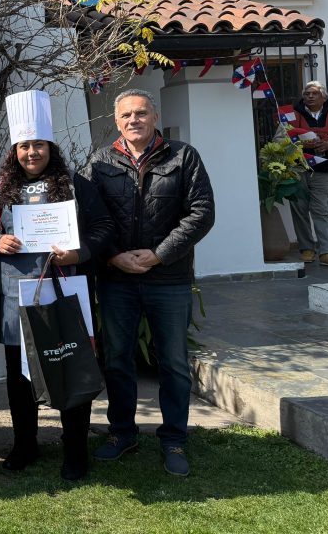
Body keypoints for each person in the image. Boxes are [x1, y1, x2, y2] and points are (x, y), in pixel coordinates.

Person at [0, 91, 112, 481]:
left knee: (69, 366)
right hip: (16, 296)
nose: (31, 152)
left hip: (63, 290)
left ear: (50, 147)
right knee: (19, 377)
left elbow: (103, 227)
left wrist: (78, 253)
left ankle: (75, 451)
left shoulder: (75, 185)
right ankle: (25, 444)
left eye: (38, 145)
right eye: (24, 146)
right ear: (14, 150)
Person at [85, 88, 214, 477]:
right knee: (117, 359)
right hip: (116, 279)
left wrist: (159, 254)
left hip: (169, 278)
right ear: (116, 121)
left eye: (141, 113)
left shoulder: (183, 156)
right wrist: (113, 256)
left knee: (173, 362)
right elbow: (88, 217)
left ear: (155, 117)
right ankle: (122, 433)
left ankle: (174, 438)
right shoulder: (100, 162)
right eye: (126, 115)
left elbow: (202, 213)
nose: (134, 120)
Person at [283, 81, 328, 265]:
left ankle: (326, 251)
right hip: (297, 167)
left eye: (314, 93)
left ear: (324, 97)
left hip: (323, 168)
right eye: (307, 93)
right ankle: (307, 248)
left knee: (321, 209)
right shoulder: (291, 113)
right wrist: (299, 143)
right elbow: (280, 137)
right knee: (299, 208)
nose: (310, 96)